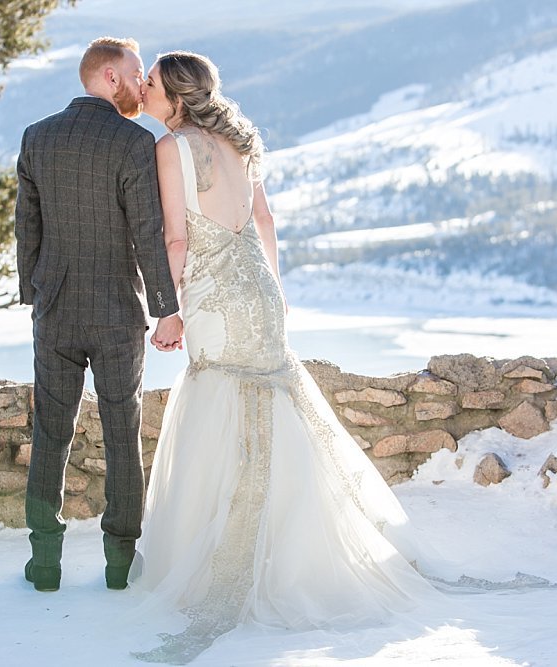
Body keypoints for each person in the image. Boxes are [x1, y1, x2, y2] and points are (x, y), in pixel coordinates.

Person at [128, 51, 438, 664]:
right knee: (274, 407)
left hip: (214, 293)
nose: (145, 89)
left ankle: (229, 563)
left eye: (153, 83)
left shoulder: (172, 148)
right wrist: (277, 288)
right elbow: (264, 220)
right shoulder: (241, 142)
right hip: (261, 289)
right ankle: (293, 552)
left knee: (218, 405)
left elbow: (175, 236)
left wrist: (171, 310)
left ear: (178, 97)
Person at [14, 37, 183, 594]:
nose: (141, 85)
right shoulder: (134, 142)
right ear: (109, 77)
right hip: (117, 311)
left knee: (50, 434)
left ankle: (44, 564)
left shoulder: (37, 138)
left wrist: (33, 295)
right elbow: (147, 235)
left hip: (56, 310)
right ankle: (117, 562)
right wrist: (166, 310)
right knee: (121, 433)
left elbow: (27, 229)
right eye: (137, 74)